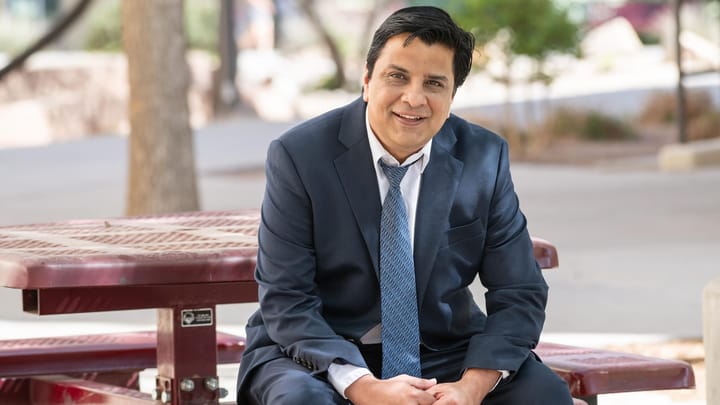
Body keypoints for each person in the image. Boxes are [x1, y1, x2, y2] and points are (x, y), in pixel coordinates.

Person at [236, 6, 573, 405]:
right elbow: (287, 300)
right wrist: (363, 386)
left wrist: (472, 387)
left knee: (545, 396)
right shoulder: (299, 156)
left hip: (443, 351)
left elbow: (519, 290)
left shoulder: (484, 157)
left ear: (451, 95)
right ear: (366, 79)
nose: (413, 98)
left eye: (434, 83)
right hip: (316, 353)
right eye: (397, 76)